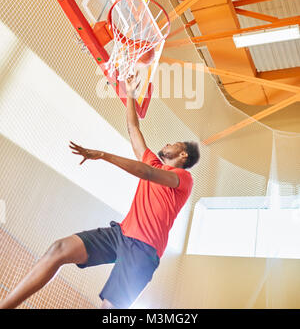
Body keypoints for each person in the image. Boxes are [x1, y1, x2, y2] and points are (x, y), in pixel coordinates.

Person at [0, 73, 200, 309]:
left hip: (144, 250)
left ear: (183, 154)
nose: (167, 143)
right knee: (59, 249)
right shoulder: (152, 161)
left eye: (174, 143)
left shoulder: (183, 179)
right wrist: (131, 96)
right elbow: (133, 127)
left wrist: (103, 155)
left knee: (110, 308)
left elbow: (146, 174)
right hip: (121, 235)